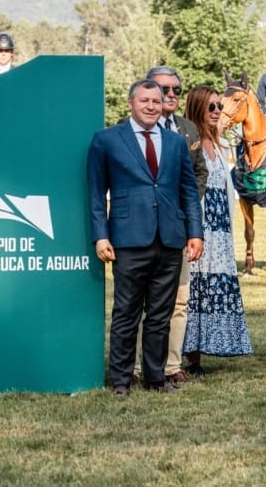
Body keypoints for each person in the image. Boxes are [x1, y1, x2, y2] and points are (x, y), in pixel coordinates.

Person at [87, 79, 204, 396]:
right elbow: (96, 195)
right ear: (130, 103)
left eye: (156, 100)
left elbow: (188, 192)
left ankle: (156, 378)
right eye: (145, 101)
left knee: (160, 315)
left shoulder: (176, 142)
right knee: (126, 313)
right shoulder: (106, 140)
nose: (152, 106)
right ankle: (122, 381)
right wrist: (101, 236)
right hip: (127, 239)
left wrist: (195, 232)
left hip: (170, 239)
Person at [134, 65, 208, 384]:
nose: (172, 95)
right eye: (165, 89)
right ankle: (135, 369)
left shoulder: (188, 129)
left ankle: (172, 365)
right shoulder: (129, 129)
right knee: (140, 302)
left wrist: (184, 212)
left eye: (177, 89)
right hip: (140, 230)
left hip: (177, 229)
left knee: (179, 300)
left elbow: (199, 174)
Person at [181, 86, 253, 374]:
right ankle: (187, 355)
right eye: (211, 107)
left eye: (218, 107)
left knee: (213, 289)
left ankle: (208, 347)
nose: (216, 112)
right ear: (198, 108)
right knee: (193, 289)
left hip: (221, 230)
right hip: (198, 225)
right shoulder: (187, 142)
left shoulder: (222, 145)